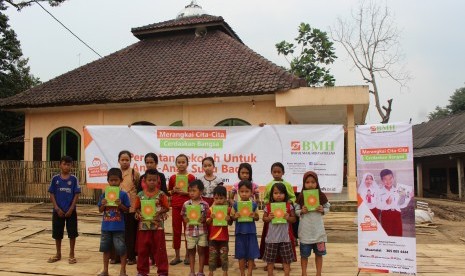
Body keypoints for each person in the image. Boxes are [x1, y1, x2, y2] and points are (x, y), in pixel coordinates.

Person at [260, 162, 297, 267]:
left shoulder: (287, 185)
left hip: (285, 217)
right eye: (274, 172)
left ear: (283, 173)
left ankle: (285, 263)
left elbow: (293, 197)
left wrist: (289, 202)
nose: (276, 174)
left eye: (279, 172)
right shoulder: (268, 185)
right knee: (271, 241)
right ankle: (269, 264)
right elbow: (266, 198)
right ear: (271, 173)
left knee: (285, 240)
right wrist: (269, 205)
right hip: (272, 217)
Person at [134, 169, 169, 276]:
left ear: (158, 180)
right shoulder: (140, 195)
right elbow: (137, 208)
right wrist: (138, 213)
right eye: (150, 180)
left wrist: (159, 212)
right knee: (143, 249)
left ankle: (163, 271)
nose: (152, 182)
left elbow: (166, 208)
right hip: (143, 226)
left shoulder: (161, 194)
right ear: (145, 180)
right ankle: (142, 271)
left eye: (154, 180)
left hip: (158, 226)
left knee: (160, 249)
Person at [295, 171, 330, 276]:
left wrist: (322, 209)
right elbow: (296, 211)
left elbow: (328, 207)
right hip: (305, 233)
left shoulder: (320, 195)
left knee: (319, 255)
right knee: (304, 255)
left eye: (313, 182)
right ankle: (304, 273)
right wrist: (301, 211)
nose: (310, 184)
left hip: (319, 233)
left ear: (317, 183)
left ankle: (318, 273)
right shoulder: (301, 196)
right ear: (304, 183)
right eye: (307, 182)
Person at [47, 155, 80, 264]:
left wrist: (71, 208)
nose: (66, 166)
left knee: (72, 233)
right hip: (58, 211)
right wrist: (56, 208)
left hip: (71, 211)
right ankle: (58, 253)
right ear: (60, 165)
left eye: (68, 164)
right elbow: (51, 193)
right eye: (64, 164)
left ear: (72, 166)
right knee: (57, 233)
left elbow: (76, 194)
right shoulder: (55, 179)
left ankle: (72, 254)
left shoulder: (74, 179)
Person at [97, 168, 131, 276]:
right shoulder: (104, 194)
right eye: (111, 180)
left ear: (120, 180)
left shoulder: (123, 195)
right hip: (106, 227)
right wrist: (103, 204)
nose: (113, 183)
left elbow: (127, 210)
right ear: (108, 181)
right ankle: (105, 270)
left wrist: (120, 205)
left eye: (116, 180)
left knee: (121, 249)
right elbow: (100, 210)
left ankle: (123, 271)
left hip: (119, 227)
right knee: (105, 249)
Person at [262, 182, 296, 276]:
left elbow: (294, 219)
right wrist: (268, 218)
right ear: (272, 194)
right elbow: (264, 218)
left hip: (285, 238)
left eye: (281, 193)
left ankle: (287, 274)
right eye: (276, 193)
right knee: (270, 260)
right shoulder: (268, 206)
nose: (278, 195)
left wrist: (288, 217)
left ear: (285, 194)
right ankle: (270, 274)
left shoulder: (289, 206)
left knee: (286, 260)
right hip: (271, 238)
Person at [112, 150, 140, 265]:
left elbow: (138, 188)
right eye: (122, 160)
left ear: (130, 161)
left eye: (127, 160)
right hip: (117, 207)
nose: (124, 162)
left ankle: (131, 257)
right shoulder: (115, 173)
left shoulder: (134, 173)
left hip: (131, 207)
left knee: (130, 233)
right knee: (118, 232)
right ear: (118, 161)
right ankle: (117, 256)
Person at [168, 154, 196, 265]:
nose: (181, 164)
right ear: (176, 164)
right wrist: (173, 190)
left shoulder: (191, 177)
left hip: (188, 207)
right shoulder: (173, 178)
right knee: (176, 231)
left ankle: (188, 255)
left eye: (183, 162)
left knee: (188, 231)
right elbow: (168, 192)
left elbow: (195, 192)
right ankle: (177, 256)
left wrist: (186, 193)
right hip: (175, 207)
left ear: (187, 164)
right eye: (179, 162)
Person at [230, 180, 260, 276]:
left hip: (251, 233)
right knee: (240, 255)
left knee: (251, 255)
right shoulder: (235, 205)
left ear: (251, 193)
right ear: (238, 192)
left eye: (247, 191)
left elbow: (257, 217)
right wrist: (235, 216)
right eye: (242, 191)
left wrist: (253, 215)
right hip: (239, 233)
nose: (244, 194)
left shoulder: (254, 205)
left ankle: (250, 273)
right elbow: (231, 217)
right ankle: (242, 273)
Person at [181, 180, 210, 276]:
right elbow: (183, 215)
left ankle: (201, 271)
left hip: (202, 231)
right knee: (191, 252)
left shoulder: (205, 204)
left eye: (194, 191)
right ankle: (192, 271)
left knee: (201, 251)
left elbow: (208, 217)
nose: (191, 193)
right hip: (190, 232)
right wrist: (186, 219)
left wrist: (204, 219)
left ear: (201, 191)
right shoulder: (186, 204)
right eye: (190, 191)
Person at [206, 186, 231, 276]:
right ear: (213, 198)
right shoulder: (210, 210)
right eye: (216, 198)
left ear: (225, 198)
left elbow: (230, 222)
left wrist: (229, 219)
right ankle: (211, 272)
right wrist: (211, 219)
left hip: (224, 238)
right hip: (213, 238)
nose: (219, 200)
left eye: (221, 198)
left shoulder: (228, 209)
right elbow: (207, 223)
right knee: (212, 256)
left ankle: (225, 272)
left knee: (224, 257)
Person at [378, 169, 411, 237]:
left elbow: (401, 205)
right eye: (385, 179)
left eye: (390, 178)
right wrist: (386, 202)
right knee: (387, 234)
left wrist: (407, 196)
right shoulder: (379, 192)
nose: (388, 181)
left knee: (398, 234)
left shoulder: (398, 190)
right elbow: (378, 206)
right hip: (386, 215)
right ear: (382, 181)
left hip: (397, 214)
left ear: (393, 178)